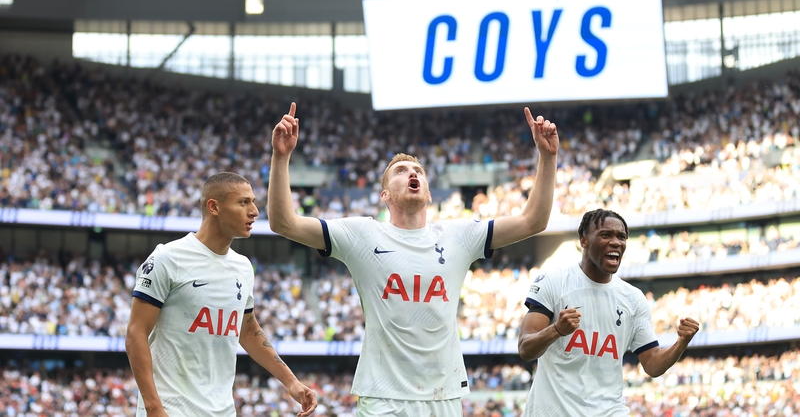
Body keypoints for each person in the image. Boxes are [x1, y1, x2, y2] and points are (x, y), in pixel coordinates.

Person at [268, 102, 559, 416]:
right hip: (383, 397)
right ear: (385, 195)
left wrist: (548, 157)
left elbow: (533, 222)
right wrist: (281, 158)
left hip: (443, 395)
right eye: (401, 171)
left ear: (429, 193)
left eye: (418, 171)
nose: (412, 173)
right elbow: (284, 223)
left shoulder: (459, 235)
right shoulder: (361, 234)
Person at [126, 172, 317, 417]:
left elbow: (248, 331)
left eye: (253, 202)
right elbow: (135, 333)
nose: (254, 212)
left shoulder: (243, 267)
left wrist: (291, 382)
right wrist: (153, 407)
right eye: (243, 202)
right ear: (214, 207)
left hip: (223, 411)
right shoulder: (168, 258)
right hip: (171, 410)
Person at [518, 209, 700, 416]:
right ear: (584, 240)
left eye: (621, 237)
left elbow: (652, 364)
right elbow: (525, 349)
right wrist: (556, 330)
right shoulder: (554, 282)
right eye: (606, 235)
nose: (616, 242)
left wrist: (680, 344)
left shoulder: (633, 299)